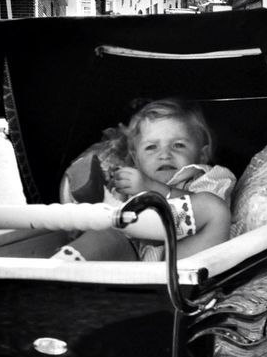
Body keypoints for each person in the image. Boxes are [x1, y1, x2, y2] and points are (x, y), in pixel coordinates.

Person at [54, 98, 236, 262]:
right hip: (136, 273)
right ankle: (61, 269)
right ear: (136, 158)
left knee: (212, 206)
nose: (164, 154)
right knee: (104, 232)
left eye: (178, 145)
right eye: (151, 147)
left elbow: (209, 214)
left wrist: (152, 188)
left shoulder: (210, 177)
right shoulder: (131, 182)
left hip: (184, 269)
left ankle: (124, 221)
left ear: (202, 154)